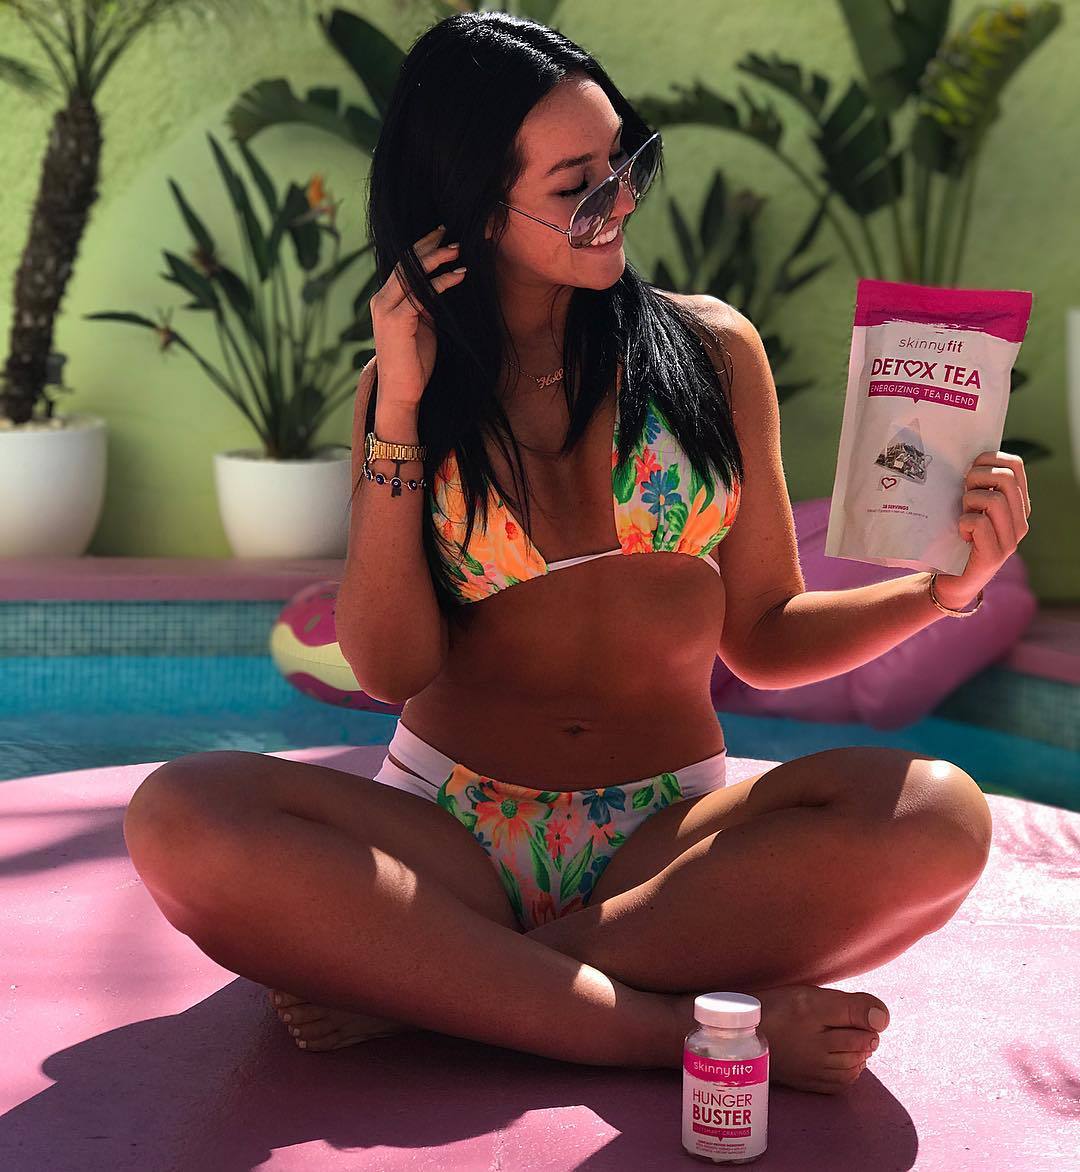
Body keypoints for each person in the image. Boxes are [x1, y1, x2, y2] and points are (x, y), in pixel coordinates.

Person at [123, 12, 1017, 1094]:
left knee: (936, 815)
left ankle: (437, 985)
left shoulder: (711, 352)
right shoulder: (407, 392)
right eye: (578, 186)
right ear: (474, 207)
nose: (621, 202)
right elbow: (390, 668)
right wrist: (399, 404)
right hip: (445, 836)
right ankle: (667, 1027)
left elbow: (766, 637)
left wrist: (944, 590)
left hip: (668, 851)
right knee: (181, 812)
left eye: (624, 164)